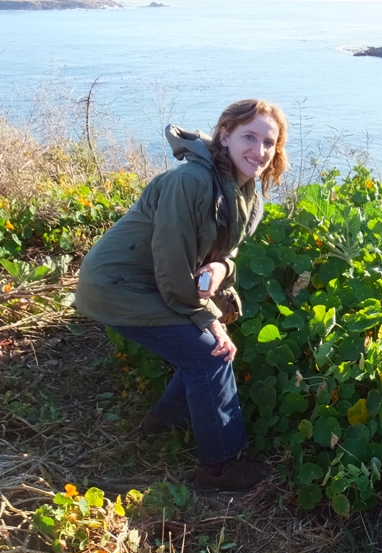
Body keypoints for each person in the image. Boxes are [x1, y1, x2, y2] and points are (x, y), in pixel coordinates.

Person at [75, 99, 288, 492]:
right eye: (249, 137)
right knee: (211, 353)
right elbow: (172, 268)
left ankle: (160, 422)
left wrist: (222, 269)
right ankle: (217, 469)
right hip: (118, 285)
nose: (259, 151)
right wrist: (207, 317)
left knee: (200, 350)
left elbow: (226, 250)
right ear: (225, 135)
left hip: (152, 282)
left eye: (268, 142)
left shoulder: (247, 193)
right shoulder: (190, 181)